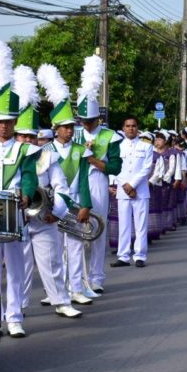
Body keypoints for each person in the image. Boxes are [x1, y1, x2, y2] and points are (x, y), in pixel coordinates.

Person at [13, 65, 82, 319]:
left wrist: (59, 212)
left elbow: (62, 188)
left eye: (32, 137)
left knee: (52, 262)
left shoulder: (47, 156)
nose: (28, 141)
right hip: (17, 220)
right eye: (23, 137)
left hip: (44, 218)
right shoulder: (6, 156)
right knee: (19, 268)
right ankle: (16, 307)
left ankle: (61, 301)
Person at [0, 46, 39, 338]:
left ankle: (14, 316)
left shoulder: (23, 148)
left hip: (14, 214)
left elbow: (29, 177)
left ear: (15, 122)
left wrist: (26, 195)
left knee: (16, 268)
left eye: (8, 121)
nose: (3, 126)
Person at [73, 56, 122, 293]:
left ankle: (96, 277)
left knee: (97, 229)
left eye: (91, 121)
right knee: (76, 233)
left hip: (98, 183)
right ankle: (78, 278)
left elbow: (115, 168)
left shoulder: (109, 136)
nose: (87, 125)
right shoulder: (72, 135)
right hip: (75, 184)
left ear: (98, 119)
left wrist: (92, 159)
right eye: (84, 121)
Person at [53, 116, 95, 304]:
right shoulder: (46, 150)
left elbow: (85, 180)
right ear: (56, 129)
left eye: (71, 127)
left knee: (76, 247)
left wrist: (86, 205)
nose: (69, 130)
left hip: (76, 202)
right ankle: (56, 290)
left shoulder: (81, 151)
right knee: (55, 249)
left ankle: (76, 289)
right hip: (53, 204)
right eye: (65, 127)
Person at [112, 117, 151, 268]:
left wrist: (133, 185)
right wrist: (126, 186)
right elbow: (115, 168)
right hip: (123, 191)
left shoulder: (146, 147)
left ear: (138, 128)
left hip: (140, 190)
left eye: (133, 126)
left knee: (141, 224)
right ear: (123, 128)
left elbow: (146, 168)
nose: (131, 128)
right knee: (124, 224)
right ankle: (123, 256)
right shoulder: (117, 147)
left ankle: (140, 255)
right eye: (127, 126)